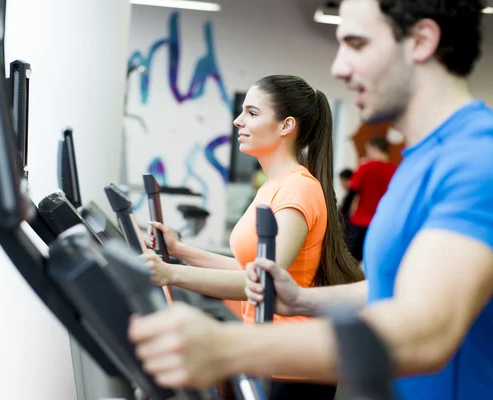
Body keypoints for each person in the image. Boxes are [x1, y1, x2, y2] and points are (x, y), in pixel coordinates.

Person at [127, 1, 493, 400]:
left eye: (356, 43)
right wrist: (302, 299)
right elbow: (385, 291)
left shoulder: (477, 161)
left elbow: (426, 334)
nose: (337, 67)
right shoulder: (416, 164)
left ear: (421, 41)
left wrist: (225, 346)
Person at [143, 74, 364, 399]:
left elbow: (264, 283)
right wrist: (180, 251)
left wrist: (172, 273)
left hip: (293, 362)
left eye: (252, 112)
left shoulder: (297, 189)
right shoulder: (274, 185)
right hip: (267, 350)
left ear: (286, 126)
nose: (238, 121)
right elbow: (248, 268)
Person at [342, 136, 396, 260]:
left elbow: (351, 194)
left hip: (360, 223)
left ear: (373, 148)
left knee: (351, 262)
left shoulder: (365, 167)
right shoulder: (395, 170)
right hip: (382, 225)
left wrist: (342, 218)